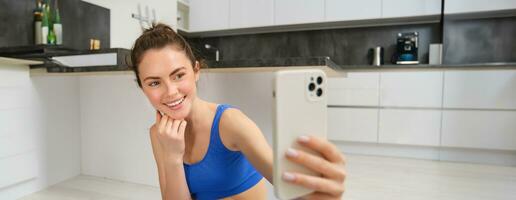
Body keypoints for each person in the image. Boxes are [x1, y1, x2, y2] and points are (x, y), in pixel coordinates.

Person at [130, 23, 346, 200]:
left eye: (178, 75)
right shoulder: (158, 134)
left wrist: (319, 192)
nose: (171, 91)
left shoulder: (230, 122)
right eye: (154, 83)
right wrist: (172, 158)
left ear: (196, 71)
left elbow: (295, 189)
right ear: (142, 87)